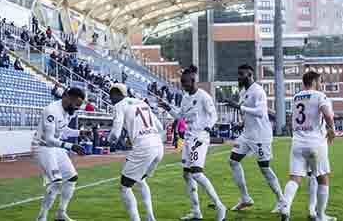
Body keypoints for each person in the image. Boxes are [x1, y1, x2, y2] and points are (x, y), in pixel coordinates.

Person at [160, 65, 226, 221]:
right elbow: (179, 116)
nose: (184, 85)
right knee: (187, 174)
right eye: (182, 83)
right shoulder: (185, 97)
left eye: (186, 82)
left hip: (200, 137)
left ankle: (219, 206)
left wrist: (208, 128)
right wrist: (168, 108)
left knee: (196, 172)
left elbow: (214, 115)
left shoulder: (204, 96)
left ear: (193, 81)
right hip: (188, 138)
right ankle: (196, 211)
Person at [225, 64, 284, 212]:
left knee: (264, 168)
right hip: (247, 134)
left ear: (250, 74)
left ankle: (281, 200)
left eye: (241, 74)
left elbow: (260, 112)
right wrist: (242, 123)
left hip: (260, 136)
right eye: (238, 74)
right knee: (233, 161)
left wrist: (239, 107)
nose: (239, 77)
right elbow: (248, 113)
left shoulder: (258, 91)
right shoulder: (243, 92)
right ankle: (245, 198)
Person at [279, 71, 336, 221]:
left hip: (298, 143)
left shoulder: (296, 97)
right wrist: (331, 129)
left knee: (294, 178)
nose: (321, 84)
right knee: (322, 178)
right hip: (316, 143)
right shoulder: (319, 96)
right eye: (320, 81)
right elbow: (328, 115)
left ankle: (285, 207)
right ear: (314, 81)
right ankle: (321, 214)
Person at [108, 83, 164, 221]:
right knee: (140, 180)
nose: (110, 100)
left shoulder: (118, 105)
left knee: (124, 187)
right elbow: (160, 126)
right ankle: (150, 217)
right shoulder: (142, 102)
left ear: (116, 94)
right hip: (158, 145)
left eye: (111, 96)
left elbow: (115, 133)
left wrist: (109, 141)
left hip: (144, 147)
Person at [33, 88, 87, 221]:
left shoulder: (68, 111)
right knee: (56, 182)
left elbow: (63, 130)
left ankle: (61, 213)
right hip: (42, 147)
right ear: (67, 97)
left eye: (79, 106)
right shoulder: (51, 111)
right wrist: (71, 146)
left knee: (71, 177)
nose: (76, 108)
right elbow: (49, 138)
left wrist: (80, 133)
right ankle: (42, 217)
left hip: (55, 148)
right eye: (76, 104)